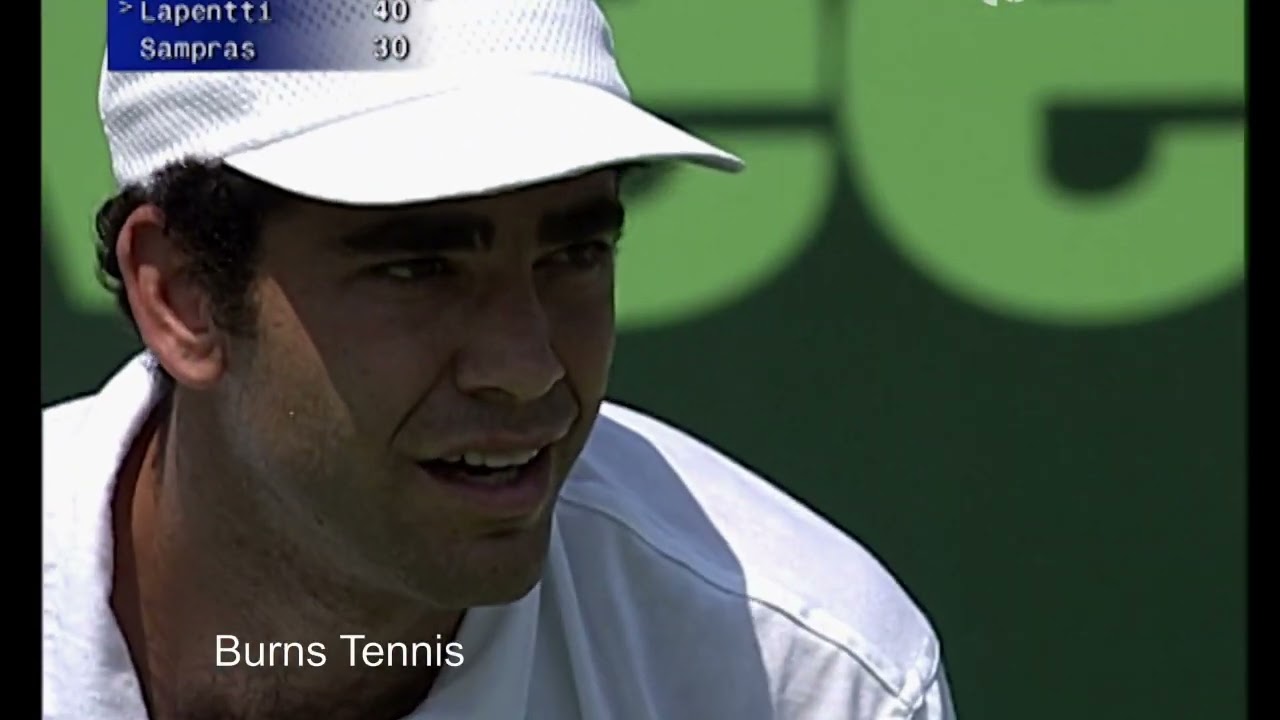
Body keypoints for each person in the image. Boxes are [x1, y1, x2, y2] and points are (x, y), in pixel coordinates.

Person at [42, 1, 957, 718]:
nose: (529, 370)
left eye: (576, 254)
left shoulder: (811, 686)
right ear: (182, 297)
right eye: (419, 268)